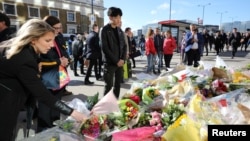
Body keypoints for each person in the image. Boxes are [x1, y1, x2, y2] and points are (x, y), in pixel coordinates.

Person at [0, 19, 87, 141]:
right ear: (33, 39)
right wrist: (74, 113)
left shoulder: (19, 47)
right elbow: (43, 95)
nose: (52, 45)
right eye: (47, 40)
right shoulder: (23, 58)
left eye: (52, 40)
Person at [37, 15, 72, 132]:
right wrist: (58, 61)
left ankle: (55, 124)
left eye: (60, 27)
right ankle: (43, 129)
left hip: (60, 73)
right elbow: (40, 61)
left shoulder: (59, 37)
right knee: (46, 104)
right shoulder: (41, 39)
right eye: (56, 28)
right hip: (47, 76)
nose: (59, 30)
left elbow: (64, 51)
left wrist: (67, 59)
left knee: (57, 102)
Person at [101, 7, 127, 99]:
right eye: (117, 18)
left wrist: (123, 59)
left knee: (118, 85)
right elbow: (105, 48)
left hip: (120, 63)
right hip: (110, 63)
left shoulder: (119, 31)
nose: (119, 20)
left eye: (120, 18)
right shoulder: (104, 30)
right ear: (110, 17)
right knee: (108, 86)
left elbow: (124, 46)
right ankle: (105, 107)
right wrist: (116, 60)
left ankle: (115, 103)